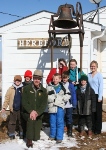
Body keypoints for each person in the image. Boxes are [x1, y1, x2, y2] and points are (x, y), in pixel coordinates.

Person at [22, 70, 48, 148]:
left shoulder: (44, 91)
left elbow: (44, 104)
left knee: (36, 137)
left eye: (38, 79)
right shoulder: (26, 89)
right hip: (27, 112)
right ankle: (29, 140)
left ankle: (34, 136)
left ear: (40, 80)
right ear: (33, 78)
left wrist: (37, 112)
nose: (37, 80)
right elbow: (24, 102)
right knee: (31, 119)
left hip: (38, 113)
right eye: (35, 78)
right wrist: (31, 111)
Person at [47, 73, 71, 143]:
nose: (55, 80)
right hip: (52, 107)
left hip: (60, 107)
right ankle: (52, 135)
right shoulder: (49, 87)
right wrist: (54, 99)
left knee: (60, 122)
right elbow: (47, 97)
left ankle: (59, 137)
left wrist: (62, 98)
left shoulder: (63, 87)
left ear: (60, 79)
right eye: (54, 79)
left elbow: (68, 95)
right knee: (52, 122)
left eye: (56, 79)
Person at [1, 75, 23, 140]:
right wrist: (4, 107)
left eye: (19, 81)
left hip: (20, 109)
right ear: (14, 81)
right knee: (12, 122)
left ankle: (21, 132)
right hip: (13, 109)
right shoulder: (10, 89)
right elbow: (7, 99)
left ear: (21, 82)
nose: (18, 82)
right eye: (16, 80)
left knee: (21, 121)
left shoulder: (22, 89)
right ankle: (11, 133)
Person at [88, 60, 103, 135]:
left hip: (97, 95)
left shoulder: (99, 75)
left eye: (94, 66)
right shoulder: (88, 75)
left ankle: (98, 129)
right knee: (92, 113)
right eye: (91, 66)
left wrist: (100, 97)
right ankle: (93, 127)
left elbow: (101, 87)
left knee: (98, 113)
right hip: (91, 96)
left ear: (97, 67)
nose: (92, 67)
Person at [62, 71, 77, 137]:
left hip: (69, 104)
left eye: (66, 78)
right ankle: (63, 128)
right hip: (62, 104)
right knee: (62, 116)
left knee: (69, 117)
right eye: (63, 78)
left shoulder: (70, 85)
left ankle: (70, 130)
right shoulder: (61, 84)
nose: (64, 79)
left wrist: (74, 102)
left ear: (68, 78)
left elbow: (73, 94)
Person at [21, 69, 32, 138]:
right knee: (23, 120)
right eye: (26, 76)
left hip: (30, 105)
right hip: (22, 105)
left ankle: (29, 133)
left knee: (29, 120)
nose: (27, 78)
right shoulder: (22, 85)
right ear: (25, 77)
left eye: (29, 77)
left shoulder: (32, 85)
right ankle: (23, 132)